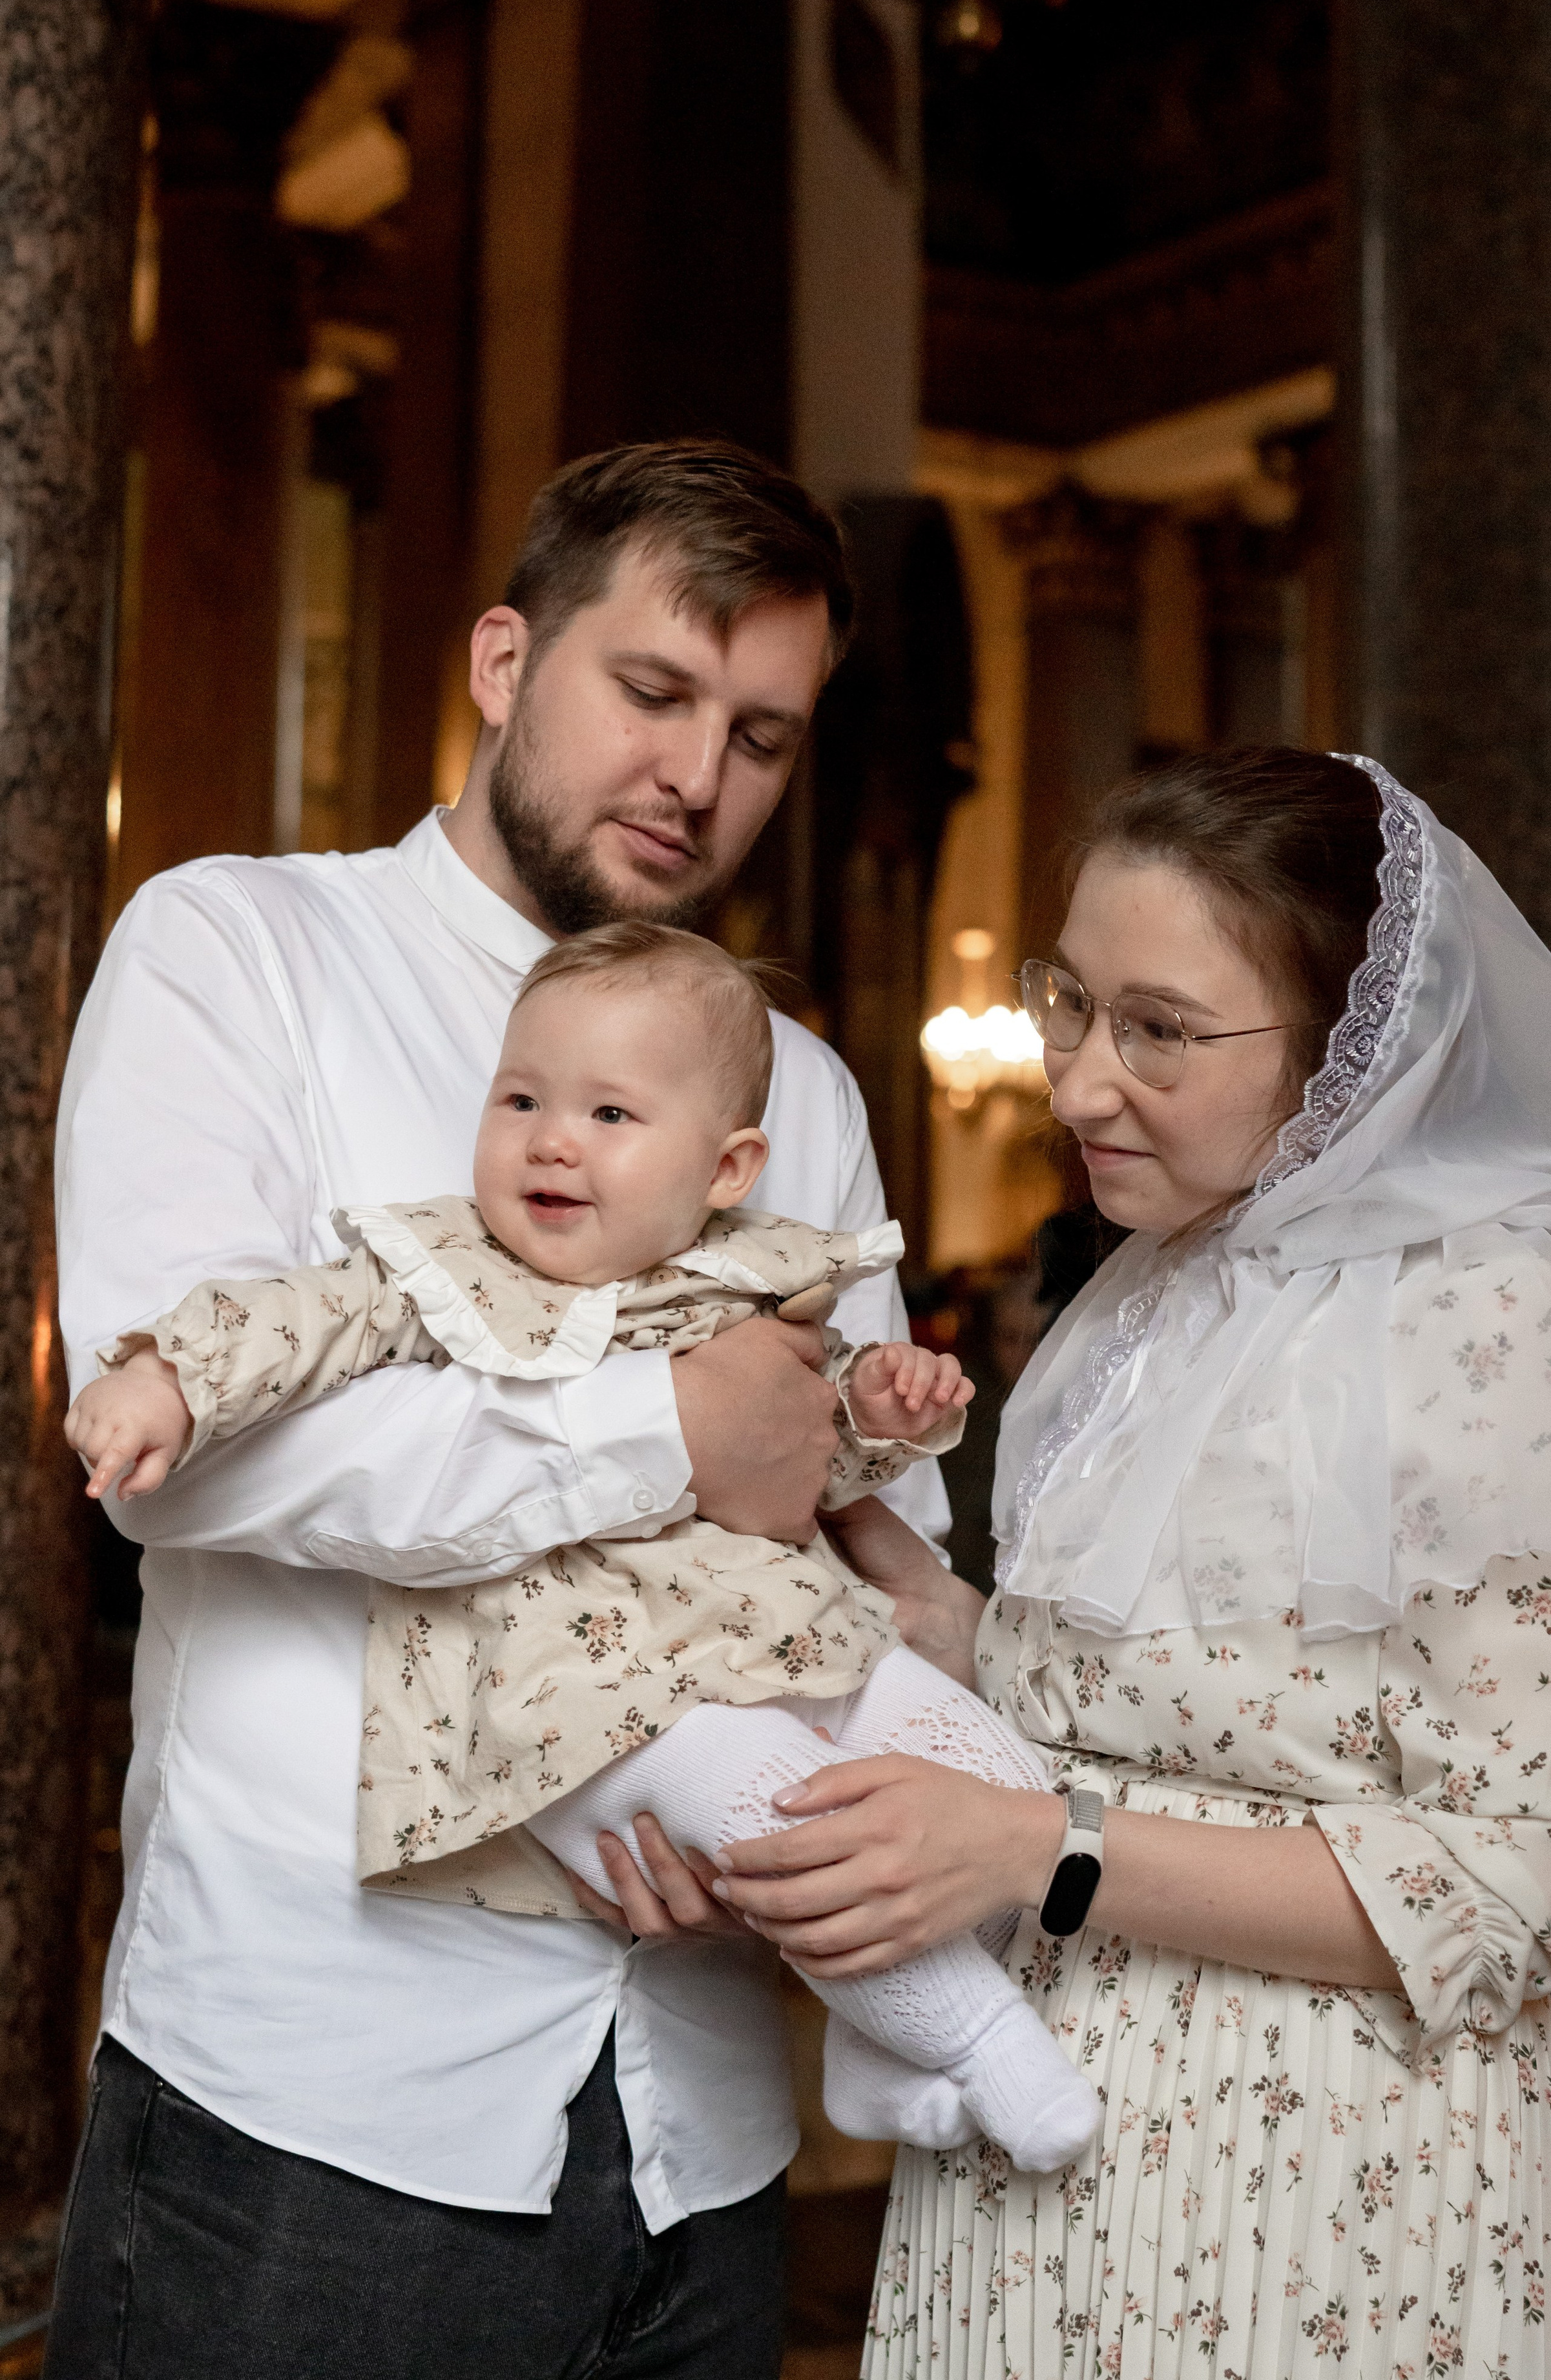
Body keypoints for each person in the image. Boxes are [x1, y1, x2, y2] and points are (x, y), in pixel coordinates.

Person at [46, 441, 953, 2380]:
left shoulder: (790, 1076)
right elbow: (194, 1460)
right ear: (499, 662)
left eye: (765, 736)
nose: (701, 778)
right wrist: (670, 1438)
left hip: (705, 2113)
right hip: (316, 2101)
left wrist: (801, 1812)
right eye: (654, 694)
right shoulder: (239, 952)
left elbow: (874, 1528)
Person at [703, 749, 1551, 2378]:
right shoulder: (1156, 1284)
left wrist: (1033, 1848)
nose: (1073, 1084)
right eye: (1069, 1002)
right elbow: (1155, 1695)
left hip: (1315, 2189)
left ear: (1355, 1050)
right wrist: (895, 1579)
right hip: (1034, 2149)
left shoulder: (1491, 1316)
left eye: (1158, 1029)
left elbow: (1512, 1882)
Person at [65, 921, 1099, 2175]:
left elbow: (807, 1470)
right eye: (521, 1099)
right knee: (794, 1822)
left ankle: (879, 2053)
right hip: (589, 1698)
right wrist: (167, 1382)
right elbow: (295, 1322)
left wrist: (875, 1422)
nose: (551, 1138)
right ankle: (982, 2039)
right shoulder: (447, 1264)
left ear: (727, 1168)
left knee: (980, 1783)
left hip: (783, 1632)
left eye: (610, 1114)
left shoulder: (752, 1281)